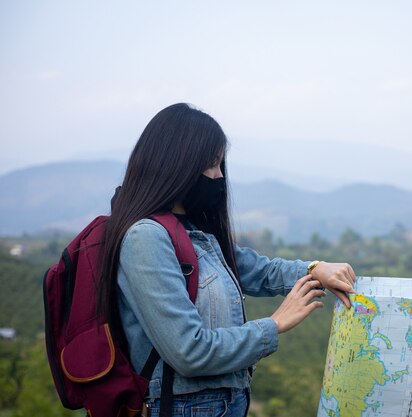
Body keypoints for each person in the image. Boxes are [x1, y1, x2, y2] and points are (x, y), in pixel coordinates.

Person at [96, 103, 356, 417]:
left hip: (222, 403)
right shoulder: (146, 238)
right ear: (179, 164)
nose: (219, 176)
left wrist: (316, 269)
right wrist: (273, 325)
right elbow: (188, 351)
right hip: (181, 407)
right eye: (212, 164)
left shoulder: (192, 231)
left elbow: (256, 270)